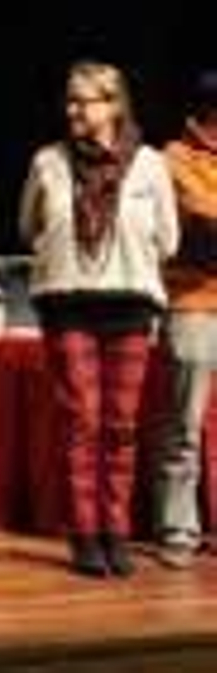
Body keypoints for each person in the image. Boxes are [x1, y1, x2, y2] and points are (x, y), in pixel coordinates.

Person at [19, 60, 177, 578]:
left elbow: (169, 240)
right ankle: (85, 534)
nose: (72, 110)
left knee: (120, 427)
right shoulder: (48, 161)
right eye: (69, 100)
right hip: (68, 303)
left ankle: (116, 532)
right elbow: (29, 226)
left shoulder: (150, 164)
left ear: (113, 104)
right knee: (80, 421)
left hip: (129, 304)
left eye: (83, 100)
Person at [153, 70, 217, 569]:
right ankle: (178, 527)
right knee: (184, 426)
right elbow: (202, 227)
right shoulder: (173, 159)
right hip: (194, 305)